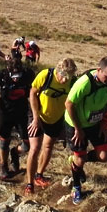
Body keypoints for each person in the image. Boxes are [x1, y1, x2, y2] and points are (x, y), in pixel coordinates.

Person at [65, 56, 107, 205]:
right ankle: (76, 187)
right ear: (99, 70)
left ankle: (76, 161)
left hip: (95, 123)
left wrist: (104, 122)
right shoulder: (84, 83)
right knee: (80, 159)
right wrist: (78, 128)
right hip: (75, 123)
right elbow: (68, 104)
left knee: (104, 155)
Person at [24, 59, 78, 196]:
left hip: (56, 117)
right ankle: (29, 184)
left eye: (69, 78)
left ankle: (39, 175)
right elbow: (32, 93)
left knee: (48, 146)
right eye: (63, 77)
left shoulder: (72, 82)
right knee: (35, 148)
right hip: (38, 114)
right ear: (58, 71)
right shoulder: (45, 75)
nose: (65, 81)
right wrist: (36, 118)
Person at [0, 56, 35, 181]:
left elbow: (35, 92)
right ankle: (3, 165)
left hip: (22, 111)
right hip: (5, 111)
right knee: (4, 139)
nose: (15, 79)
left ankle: (15, 153)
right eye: (13, 76)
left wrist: (36, 113)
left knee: (27, 143)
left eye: (18, 76)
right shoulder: (1, 75)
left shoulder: (28, 74)